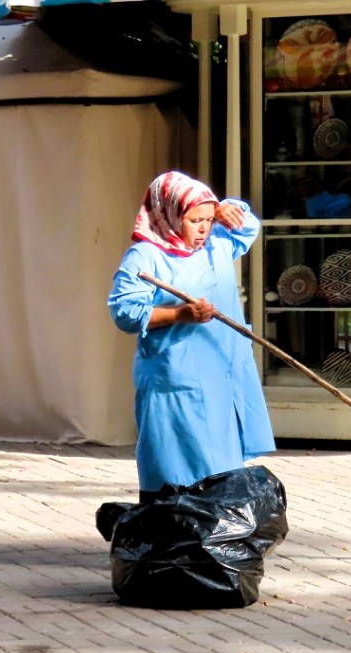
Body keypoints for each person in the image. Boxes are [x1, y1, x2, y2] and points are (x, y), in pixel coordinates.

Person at [108, 170, 275, 501]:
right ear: (170, 215)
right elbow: (125, 312)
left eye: (208, 220)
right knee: (178, 472)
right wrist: (179, 315)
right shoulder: (146, 256)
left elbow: (248, 227)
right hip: (177, 377)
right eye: (195, 220)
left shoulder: (217, 243)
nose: (203, 229)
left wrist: (226, 208)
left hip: (222, 372)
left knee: (224, 469)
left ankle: (219, 526)